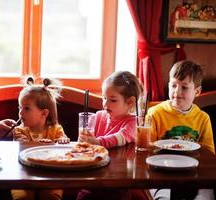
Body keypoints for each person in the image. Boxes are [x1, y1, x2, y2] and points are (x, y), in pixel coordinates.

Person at [148, 60, 215, 200]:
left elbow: (209, 153)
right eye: (173, 86)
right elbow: (147, 149)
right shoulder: (155, 113)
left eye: (184, 87)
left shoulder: (203, 118)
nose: (177, 92)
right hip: (161, 173)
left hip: (193, 175)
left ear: (197, 91)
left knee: (205, 196)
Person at [77, 71, 143, 200]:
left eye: (112, 100)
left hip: (117, 183)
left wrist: (97, 141)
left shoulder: (133, 122)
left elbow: (120, 137)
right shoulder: (99, 116)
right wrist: (85, 138)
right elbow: (88, 140)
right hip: (93, 177)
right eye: (104, 98)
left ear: (130, 102)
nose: (105, 104)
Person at [11, 77, 70, 200]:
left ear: (44, 113)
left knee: (51, 197)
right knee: (22, 198)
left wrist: (61, 142)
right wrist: (44, 145)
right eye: (19, 107)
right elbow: (23, 145)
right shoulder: (19, 130)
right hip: (23, 176)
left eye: (26, 108)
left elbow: (64, 142)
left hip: (51, 177)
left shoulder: (56, 129)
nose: (20, 113)